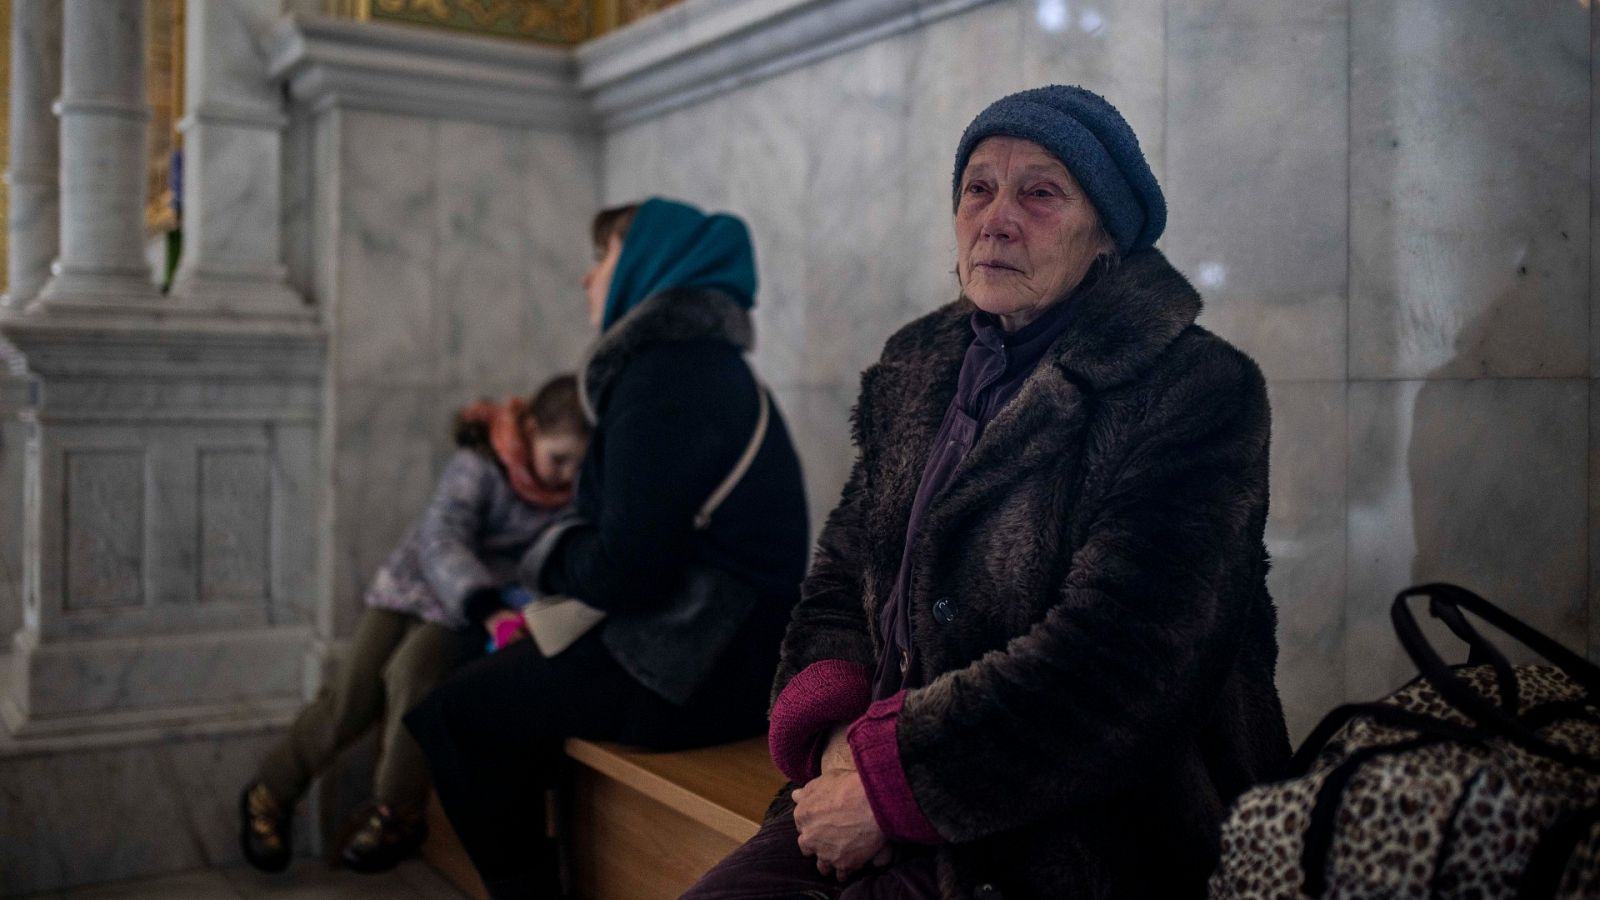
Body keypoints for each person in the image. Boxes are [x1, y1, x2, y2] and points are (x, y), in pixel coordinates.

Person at [685, 85, 1292, 900]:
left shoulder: (1192, 387)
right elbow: (842, 573)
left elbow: (1126, 661)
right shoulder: (917, 366)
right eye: (978, 187)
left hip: (1091, 825)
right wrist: (837, 735)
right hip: (873, 779)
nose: (996, 218)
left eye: (1041, 193)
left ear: (1105, 236)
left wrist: (893, 784)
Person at [406, 198, 810, 899]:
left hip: (700, 665)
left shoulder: (666, 375)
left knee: (454, 717)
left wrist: (546, 554)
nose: (587, 278)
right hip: (724, 644)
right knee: (476, 667)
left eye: (604, 255)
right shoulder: (697, 365)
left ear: (651, 260)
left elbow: (628, 568)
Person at [238, 375, 590, 875]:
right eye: (559, 458)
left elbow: (554, 563)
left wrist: (508, 609)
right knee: (352, 693)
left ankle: (397, 813)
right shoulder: (481, 461)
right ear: (530, 429)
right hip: (423, 587)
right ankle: (270, 791)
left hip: (481, 613)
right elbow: (442, 536)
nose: (565, 475)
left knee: (412, 677)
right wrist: (484, 602)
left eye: (578, 464)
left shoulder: (576, 495)